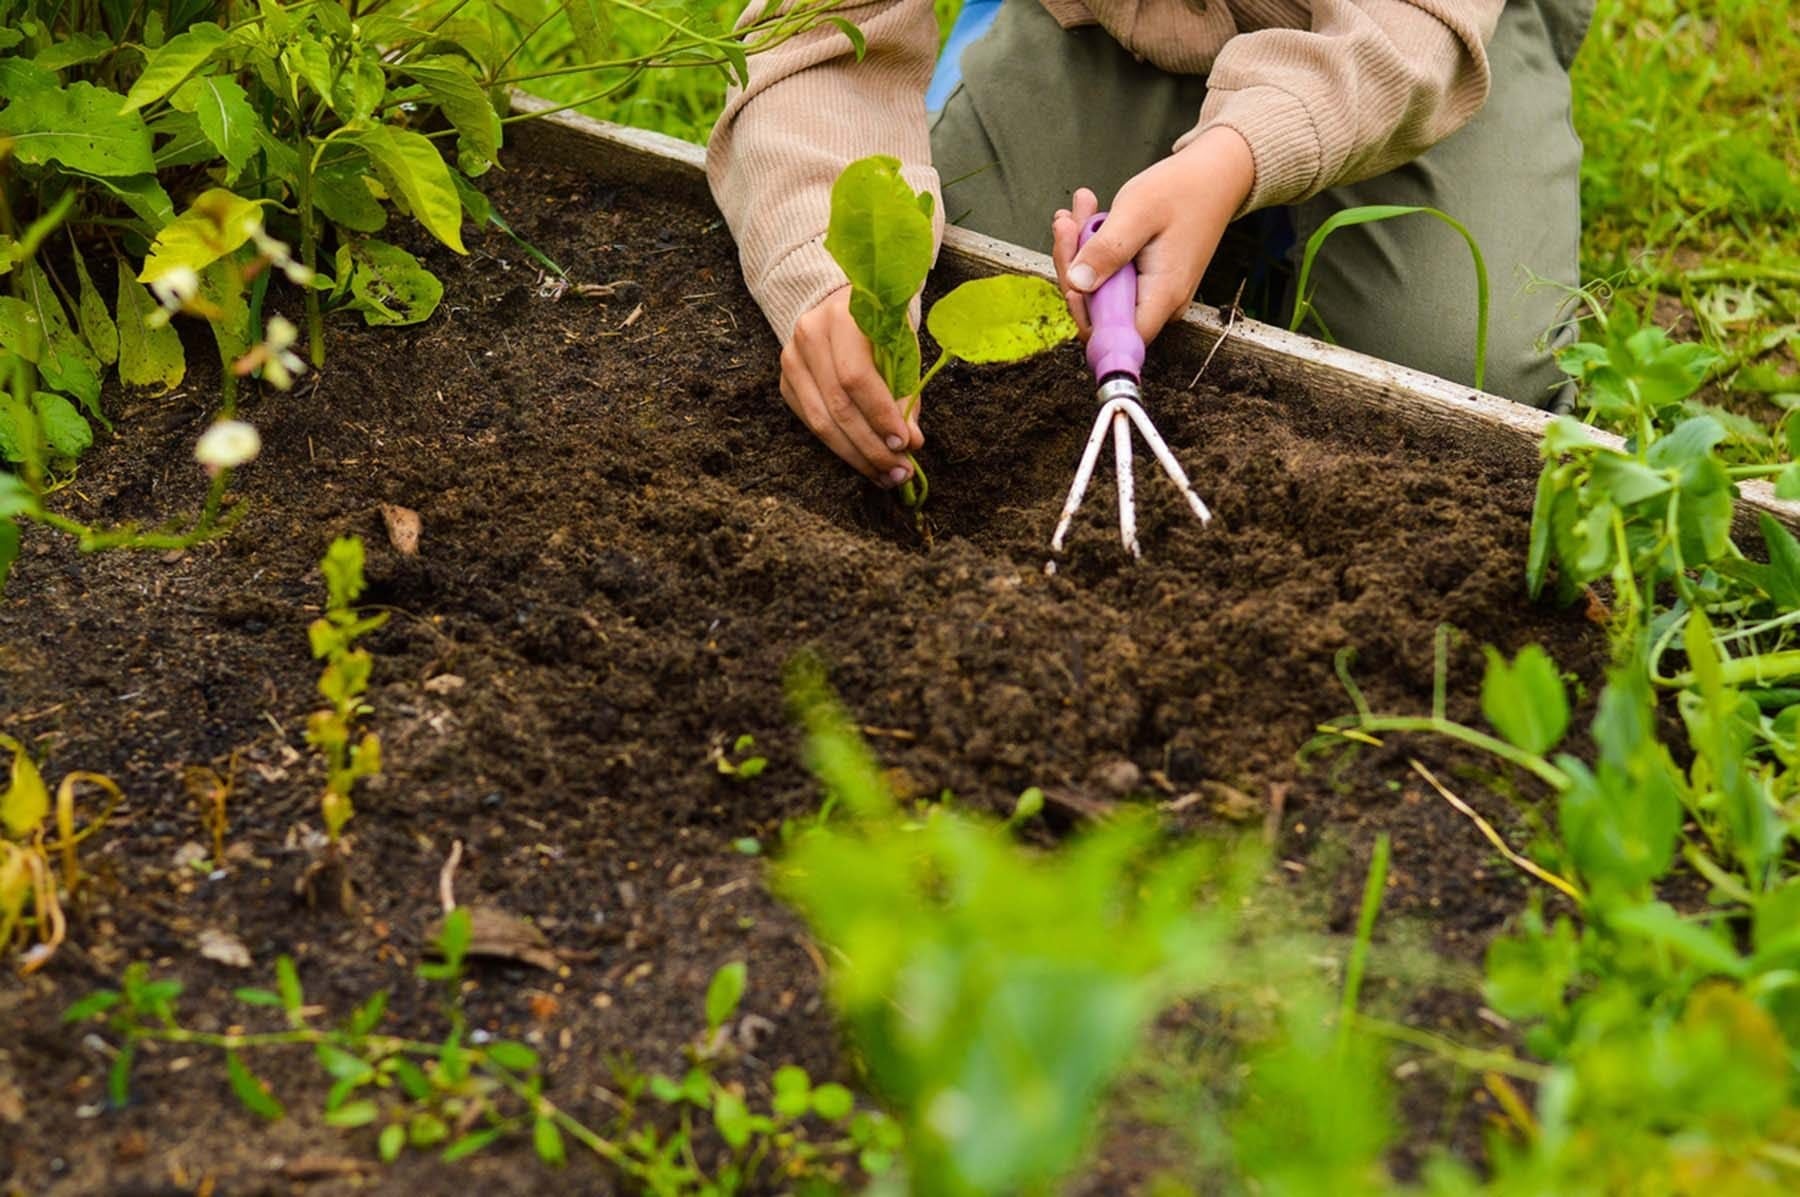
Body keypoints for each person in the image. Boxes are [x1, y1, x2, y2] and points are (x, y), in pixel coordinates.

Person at [707, 0, 1596, 489]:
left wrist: (1240, 156)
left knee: (1462, 367)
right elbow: (819, 35)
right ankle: (1008, 34)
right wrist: (829, 280)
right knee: (979, 274)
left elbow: (1410, 25)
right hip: (1111, 18)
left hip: (1411, 27)